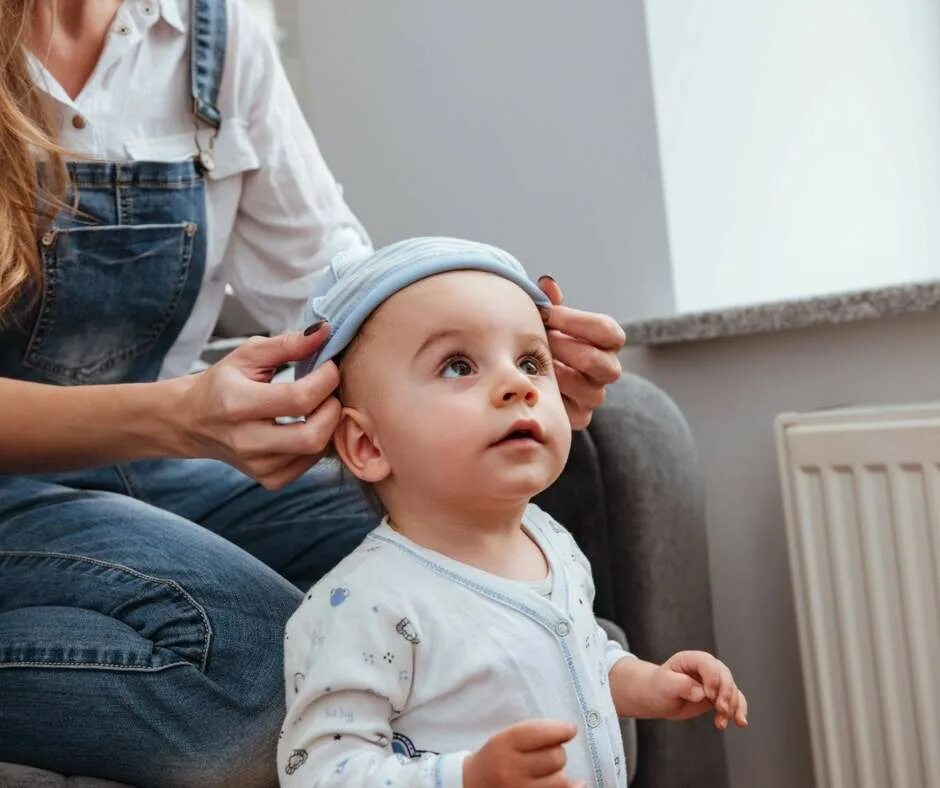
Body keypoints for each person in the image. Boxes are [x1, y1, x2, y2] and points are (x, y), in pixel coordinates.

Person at [0, 3, 626, 786]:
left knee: (496, 571)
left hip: (155, 464)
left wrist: (507, 358)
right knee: (273, 665)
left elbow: (339, 295)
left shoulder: (213, 39)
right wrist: (180, 417)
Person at [279, 237, 747, 788]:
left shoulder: (550, 542)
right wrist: (468, 777)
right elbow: (322, 773)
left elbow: (581, 656)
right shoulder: (361, 606)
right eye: (457, 366)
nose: (517, 386)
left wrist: (650, 684)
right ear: (368, 445)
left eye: (530, 361)